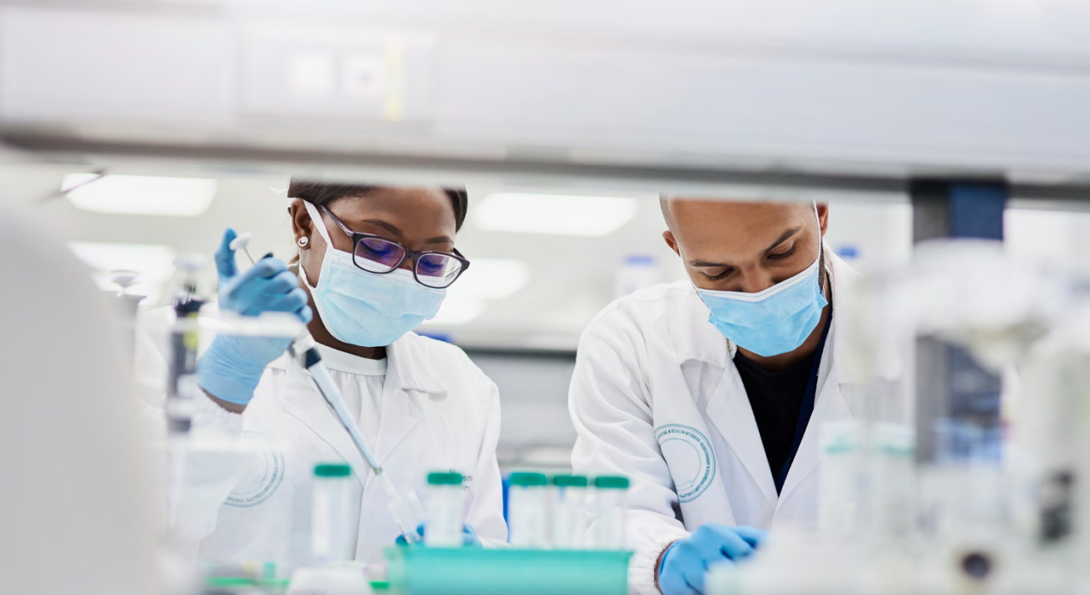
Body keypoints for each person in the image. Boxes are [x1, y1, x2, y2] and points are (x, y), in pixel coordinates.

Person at [156, 181, 507, 567]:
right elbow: (140, 532)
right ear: (305, 223)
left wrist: (476, 563)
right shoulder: (176, 347)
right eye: (376, 246)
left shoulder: (461, 384)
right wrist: (224, 380)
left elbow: (488, 546)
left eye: (433, 260)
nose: (404, 275)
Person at [568, 198, 863, 595]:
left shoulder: (910, 339)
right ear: (676, 248)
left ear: (821, 213)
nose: (759, 290)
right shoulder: (629, 342)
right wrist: (664, 558)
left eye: (782, 252)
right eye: (718, 272)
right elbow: (613, 515)